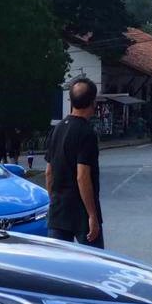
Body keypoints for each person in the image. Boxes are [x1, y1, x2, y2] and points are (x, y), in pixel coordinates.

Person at [45, 78, 104, 248]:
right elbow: (82, 176)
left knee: (59, 267)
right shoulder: (86, 133)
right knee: (95, 265)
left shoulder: (56, 130)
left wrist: (54, 200)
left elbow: (49, 172)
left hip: (58, 211)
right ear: (93, 102)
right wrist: (92, 215)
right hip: (81, 212)